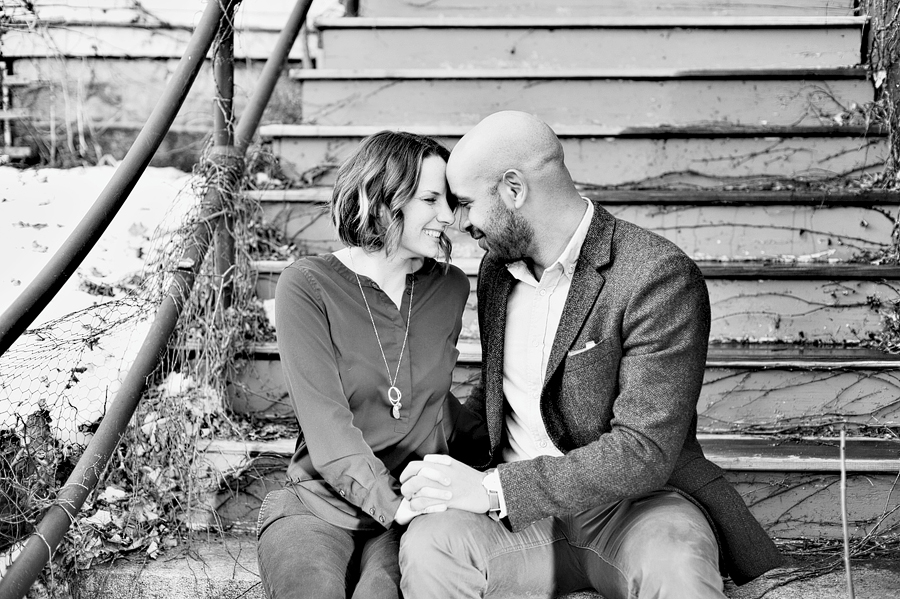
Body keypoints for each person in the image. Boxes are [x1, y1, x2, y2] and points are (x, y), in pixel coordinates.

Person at [398, 111, 784, 599]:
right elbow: (503, 393)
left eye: (468, 203)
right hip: (517, 523)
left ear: (513, 190)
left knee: (678, 565)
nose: (459, 222)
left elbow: (644, 450)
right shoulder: (497, 272)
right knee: (430, 547)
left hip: (635, 508)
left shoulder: (655, 276)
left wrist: (494, 489)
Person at [256, 131, 473, 599]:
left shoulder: (451, 288)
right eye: (430, 199)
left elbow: (432, 399)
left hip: (413, 508)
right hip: (318, 504)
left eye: (450, 201)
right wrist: (391, 505)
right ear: (380, 200)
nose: (448, 217)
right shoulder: (307, 286)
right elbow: (325, 421)